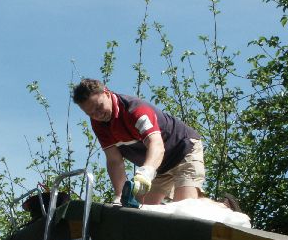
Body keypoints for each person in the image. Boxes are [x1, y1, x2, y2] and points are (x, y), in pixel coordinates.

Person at [73, 77, 209, 206]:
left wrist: (146, 172)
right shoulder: (98, 123)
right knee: (140, 212)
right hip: (160, 167)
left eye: (99, 107)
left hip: (183, 151)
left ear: (107, 93)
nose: (98, 115)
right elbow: (114, 160)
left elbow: (156, 144)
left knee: (183, 209)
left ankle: (219, 209)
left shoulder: (135, 110)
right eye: (90, 113)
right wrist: (119, 195)